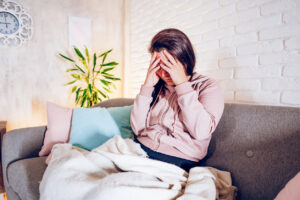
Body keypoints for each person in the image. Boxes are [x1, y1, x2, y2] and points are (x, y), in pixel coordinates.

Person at [130, 28, 225, 172]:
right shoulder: (157, 88)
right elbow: (137, 129)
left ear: (185, 59)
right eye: (159, 65)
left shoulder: (208, 86)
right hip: (140, 149)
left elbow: (201, 131)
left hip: (178, 159)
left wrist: (182, 86)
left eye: (170, 63)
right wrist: (147, 85)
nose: (164, 72)